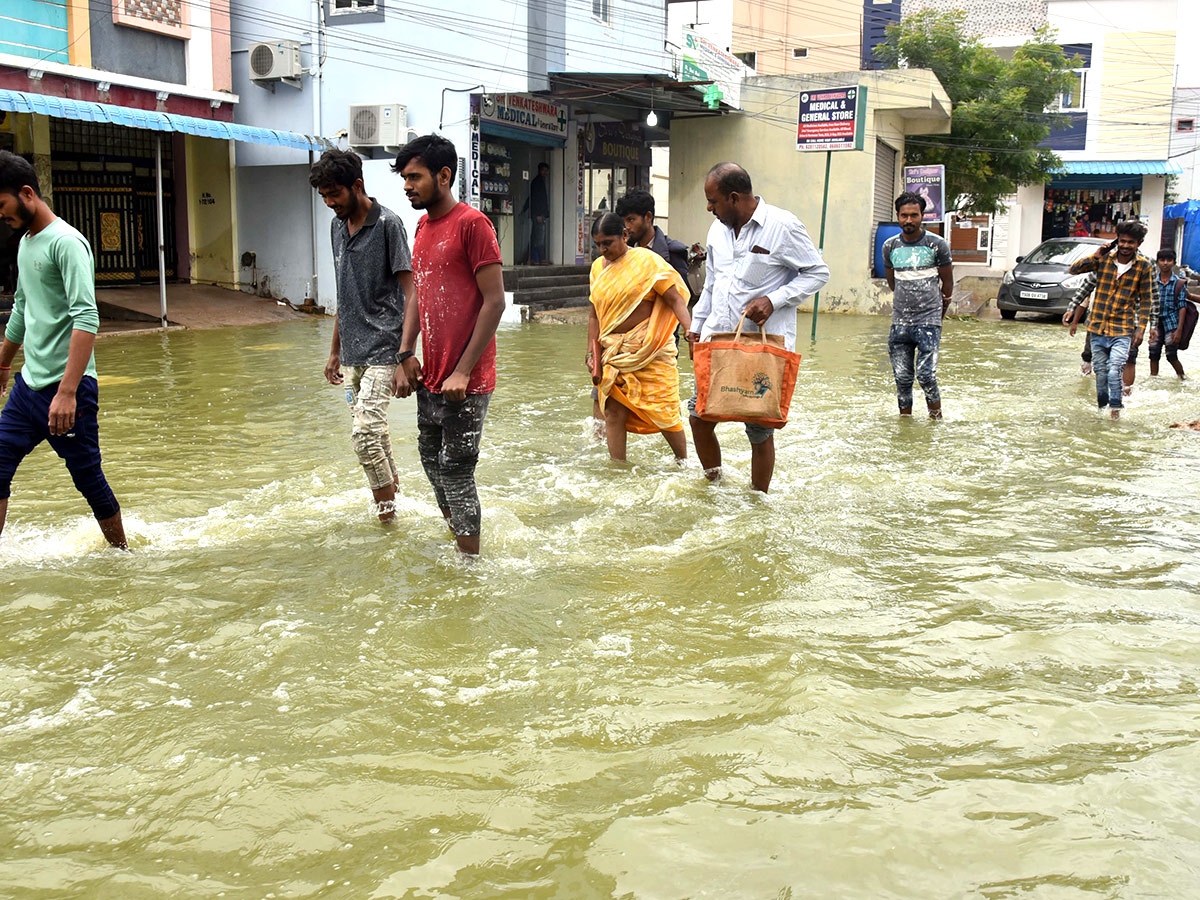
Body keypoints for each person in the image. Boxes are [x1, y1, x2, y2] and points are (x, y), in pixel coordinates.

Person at [0, 150, 126, 548]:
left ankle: (123, 556)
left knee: (88, 479)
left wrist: (68, 392)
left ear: (26, 193)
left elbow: (86, 318)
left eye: (1, 205)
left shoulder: (68, 243)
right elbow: (22, 307)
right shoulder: (26, 243)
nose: (0, 215)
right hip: (27, 389)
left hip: (68, 388)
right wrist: (2, 367)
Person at [391, 134, 505, 557]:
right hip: (431, 376)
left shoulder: (473, 224)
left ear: (444, 175)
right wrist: (406, 354)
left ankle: (470, 565)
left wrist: (463, 369)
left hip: (466, 380)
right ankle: (461, 541)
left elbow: (495, 301)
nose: (407, 186)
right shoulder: (421, 227)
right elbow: (418, 295)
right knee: (431, 464)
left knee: (456, 470)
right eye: (404, 178)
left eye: (415, 177)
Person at [685, 162, 829, 493]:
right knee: (699, 418)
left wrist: (774, 299)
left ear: (734, 198)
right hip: (719, 341)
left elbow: (818, 273)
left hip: (762, 347)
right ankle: (715, 486)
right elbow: (712, 283)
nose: (709, 209)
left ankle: (757, 501)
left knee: (759, 431)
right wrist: (697, 326)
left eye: (713, 201)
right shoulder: (717, 230)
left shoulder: (783, 226)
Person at [310, 148, 413, 523]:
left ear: (356, 186)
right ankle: (398, 508)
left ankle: (387, 519)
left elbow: (411, 290)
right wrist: (334, 351)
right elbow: (344, 292)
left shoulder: (388, 224)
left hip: (385, 349)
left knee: (365, 434)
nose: (329, 203)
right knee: (377, 435)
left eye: (334, 194)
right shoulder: (337, 227)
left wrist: (406, 355)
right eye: (323, 196)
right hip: (352, 355)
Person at [586, 212, 692, 463]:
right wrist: (592, 353)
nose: (602, 250)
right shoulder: (597, 269)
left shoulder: (647, 261)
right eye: (598, 244)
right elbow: (594, 315)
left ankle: (683, 462)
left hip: (650, 349)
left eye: (607, 243)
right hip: (612, 351)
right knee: (612, 412)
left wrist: (690, 330)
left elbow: (675, 298)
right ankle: (617, 469)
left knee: (665, 412)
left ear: (624, 236)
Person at [1067, 221, 1153, 418]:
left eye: (1130, 242)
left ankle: (1115, 411)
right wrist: (1095, 256)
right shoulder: (1103, 260)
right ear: (1117, 240)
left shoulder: (1144, 266)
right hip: (1097, 328)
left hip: (1122, 329)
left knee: (1115, 369)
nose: (1125, 246)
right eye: (1122, 241)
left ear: (1138, 243)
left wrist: (1141, 329)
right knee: (1102, 373)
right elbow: (1073, 270)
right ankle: (1101, 409)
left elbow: (1146, 299)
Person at [882, 191, 954, 418]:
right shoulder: (890, 247)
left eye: (914, 215)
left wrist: (938, 315)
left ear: (923, 216)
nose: (909, 220)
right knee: (902, 378)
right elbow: (893, 283)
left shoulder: (937, 245)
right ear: (897, 216)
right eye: (904, 215)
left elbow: (947, 284)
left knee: (926, 375)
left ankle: (936, 420)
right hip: (900, 323)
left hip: (928, 322)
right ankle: (905, 423)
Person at [615, 189, 690, 288]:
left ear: (648, 217)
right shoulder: (623, 252)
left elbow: (682, 295)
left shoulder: (673, 253)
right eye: (623, 221)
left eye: (631, 219)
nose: (626, 226)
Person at [1146, 248, 1196, 380]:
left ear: (1174, 263)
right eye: (1162, 260)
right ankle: (1153, 379)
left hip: (1172, 322)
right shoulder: (1152, 282)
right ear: (1157, 262)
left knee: (1171, 354)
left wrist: (1179, 330)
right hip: (1156, 322)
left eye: (1169, 260)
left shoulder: (1179, 283)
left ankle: (1182, 377)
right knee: (1153, 352)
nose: (1165, 263)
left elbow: (1182, 307)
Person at [523, 162, 550, 265]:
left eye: (546, 170)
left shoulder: (539, 182)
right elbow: (536, 199)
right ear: (540, 170)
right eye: (544, 170)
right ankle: (541, 259)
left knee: (534, 237)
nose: (545, 173)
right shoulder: (538, 182)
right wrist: (539, 214)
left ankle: (532, 258)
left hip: (538, 213)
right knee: (539, 238)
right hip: (538, 214)